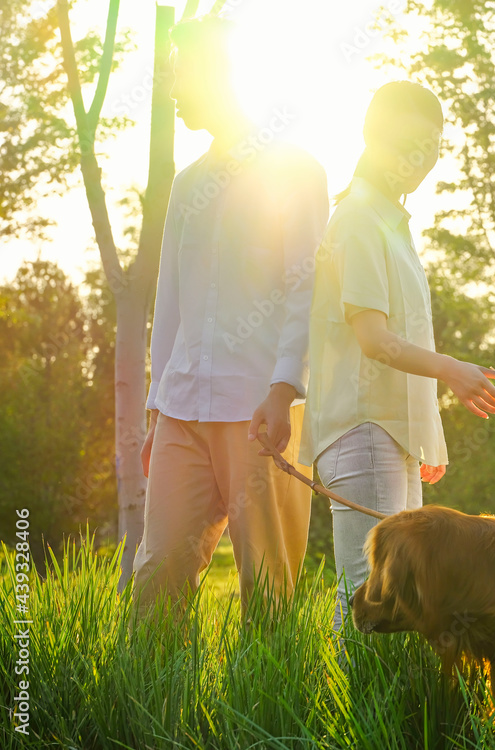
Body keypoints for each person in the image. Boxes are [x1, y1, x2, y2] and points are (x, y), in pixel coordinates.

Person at [133, 16, 328, 618]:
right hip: (182, 408)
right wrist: (154, 406)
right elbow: (169, 300)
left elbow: (307, 288)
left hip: (260, 410)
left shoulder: (295, 170)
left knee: (269, 593)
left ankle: (268, 710)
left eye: (181, 70)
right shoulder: (187, 183)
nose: (172, 86)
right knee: (157, 575)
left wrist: (283, 387)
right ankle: (152, 711)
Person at [301, 81, 495, 630]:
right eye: (408, 145)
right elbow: (374, 340)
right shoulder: (359, 222)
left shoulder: (391, 224)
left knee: (403, 602)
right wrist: (454, 374)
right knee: (373, 602)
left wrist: (426, 437)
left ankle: (387, 715)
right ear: (372, 138)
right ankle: (355, 716)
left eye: (432, 149)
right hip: (363, 433)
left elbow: (407, 337)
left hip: (389, 439)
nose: (420, 162)